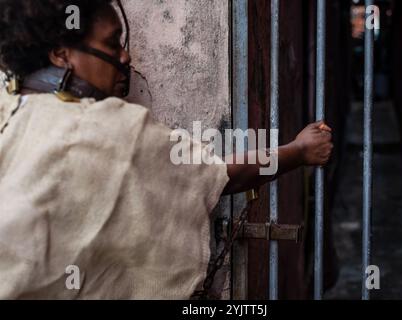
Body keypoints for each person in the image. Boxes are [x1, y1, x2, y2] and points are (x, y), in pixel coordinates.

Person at [0, 0, 333, 299]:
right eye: (112, 43)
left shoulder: (9, 109)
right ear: (61, 54)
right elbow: (216, 176)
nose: (125, 56)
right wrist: (299, 151)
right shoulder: (112, 129)